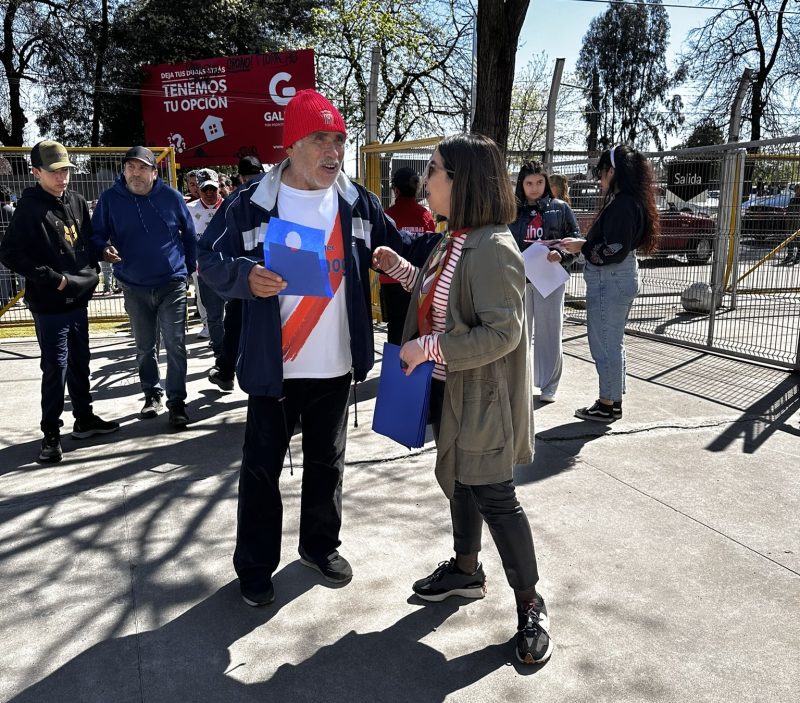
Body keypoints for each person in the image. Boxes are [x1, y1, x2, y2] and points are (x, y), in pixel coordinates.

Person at [197, 89, 404, 607]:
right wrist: (246, 277)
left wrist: (406, 256)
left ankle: (319, 546)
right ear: (292, 145)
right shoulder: (251, 205)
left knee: (327, 464)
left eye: (339, 140)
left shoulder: (357, 201)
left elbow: (400, 244)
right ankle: (255, 566)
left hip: (335, 366)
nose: (333, 151)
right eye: (320, 140)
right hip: (275, 369)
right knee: (262, 470)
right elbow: (207, 263)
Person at [372, 133, 553, 665]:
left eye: (433, 170)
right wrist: (403, 272)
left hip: (485, 399)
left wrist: (426, 346)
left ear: (461, 180)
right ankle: (466, 570)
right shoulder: (456, 240)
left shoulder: (494, 247)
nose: (425, 179)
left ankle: (531, 604)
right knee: (459, 481)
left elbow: (503, 333)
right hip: (454, 392)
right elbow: (446, 302)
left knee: (494, 495)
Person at [0, 140, 119, 462]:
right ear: (36, 172)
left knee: (81, 363)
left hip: (78, 300)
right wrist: (54, 279)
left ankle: (84, 418)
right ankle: (50, 434)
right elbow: (9, 253)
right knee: (57, 368)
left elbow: (86, 240)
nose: (61, 177)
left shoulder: (77, 201)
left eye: (65, 170)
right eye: (54, 172)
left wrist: (102, 252)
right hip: (50, 305)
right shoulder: (29, 208)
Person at [91, 146, 197, 429]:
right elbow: (96, 234)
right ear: (123, 171)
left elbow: (189, 235)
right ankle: (152, 394)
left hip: (171, 283)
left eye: (141, 168)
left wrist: (188, 268)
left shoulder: (172, 198)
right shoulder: (110, 199)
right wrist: (103, 249)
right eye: (130, 168)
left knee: (175, 344)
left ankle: (177, 402)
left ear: (154, 172)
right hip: (134, 286)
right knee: (144, 347)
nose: (135, 174)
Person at [559, 144, 659, 422]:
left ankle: (608, 402)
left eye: (602, 173)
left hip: (610, 279)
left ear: (613, 171)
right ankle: (612, 399)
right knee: (611, 343)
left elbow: (612, 249)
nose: (599, 179)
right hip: (619, 277)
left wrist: (584, 246)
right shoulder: (630, 201)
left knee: (605, 344)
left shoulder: (623, 203)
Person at [509, 161, 580, 403]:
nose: (535, 188)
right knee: (519, 333)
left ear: (546, 182)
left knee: (550, 332)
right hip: (520, 280)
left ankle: (550, 385)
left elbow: (576, 240)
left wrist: (562, 255)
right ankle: (518, 382)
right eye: (529, 183)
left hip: (550, 279)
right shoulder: (512, 211)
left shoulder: (560, 208)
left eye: (539, 182)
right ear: (521, 184)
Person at [207, 156, 265, 392]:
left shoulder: (235, 200)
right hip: (275, 279)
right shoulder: (279, 195)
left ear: (240, 177)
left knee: (234, 325)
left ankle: (226, 372)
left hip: (245, 277)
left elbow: (212, 249)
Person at [380, 167, 436, 345]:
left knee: (395, 327)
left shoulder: (387, 216)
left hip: (391, 282)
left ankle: (394, 368)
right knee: (417, 327)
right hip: (419, 281)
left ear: (395, 189)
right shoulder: (425, 216)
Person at [187, 168, 226, 357]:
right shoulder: (189, 209)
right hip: (205, 271)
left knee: (234, 314)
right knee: (214, 316)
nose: (210, 194)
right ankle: (220, 354)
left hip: (230, 270)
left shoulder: (230, 206)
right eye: (205, 190)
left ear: (219, 188)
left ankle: (234, 349)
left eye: (213, 189)